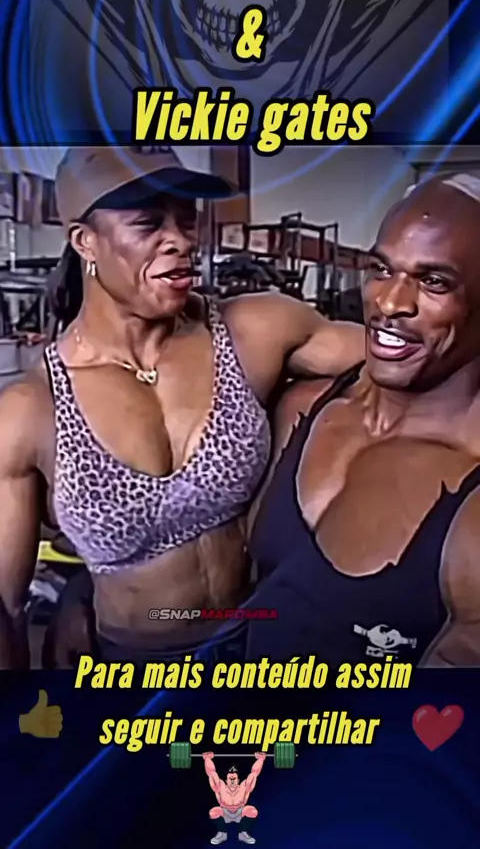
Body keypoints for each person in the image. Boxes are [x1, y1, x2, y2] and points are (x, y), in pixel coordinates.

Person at [0, 145, 364, 669]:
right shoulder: (32, 409)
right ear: (84, 241)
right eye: (149, 223)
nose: (181, 240)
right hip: (130, 668)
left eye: (186, 220)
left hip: (261, 642)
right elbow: (7, 607)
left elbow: (405, 358)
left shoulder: (253, 332)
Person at [246, 174, 480, 667]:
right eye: (381, 269)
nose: (389, 302)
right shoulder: (302, 408)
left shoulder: (472, 504)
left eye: (434, 282)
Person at [204, 752, 266, 845]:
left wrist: (260, 759)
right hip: (225, 812)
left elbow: (254, 774)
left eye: (234, 779)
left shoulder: (244, 786)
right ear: (226, 780)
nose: (232, 781)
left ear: (238, 780)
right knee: (213, 812)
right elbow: (211, 773)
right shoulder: (220, 786)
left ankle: (243, 833)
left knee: (252, 811)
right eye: (230, 779)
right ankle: (222, 834)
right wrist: (207, 759)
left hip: (240, 812)